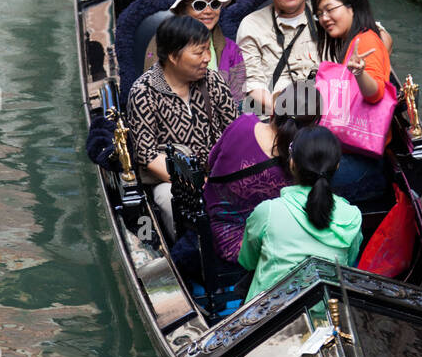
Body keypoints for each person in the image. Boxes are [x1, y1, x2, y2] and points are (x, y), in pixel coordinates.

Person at [127, 15, 240, 240]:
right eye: (199, 53)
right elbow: (148, 156)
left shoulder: (214, 81)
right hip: (171, 181)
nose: (207, 58)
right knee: (170, 200)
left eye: (208, 50)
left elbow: (234, 131)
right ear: (173, 56)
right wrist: (197, 185)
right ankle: (189, 253)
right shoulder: (143, 92)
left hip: (218, 171)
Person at [238, 127, 363, 303]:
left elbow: (247, 261)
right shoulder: (353, 216)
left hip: (270, 317)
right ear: (337, 165)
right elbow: (347, 264)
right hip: (327, 313)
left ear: (292, 163)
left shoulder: (267, 212)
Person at [204, 85, 322, 264]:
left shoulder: (243, 122)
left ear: (274, 110)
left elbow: (211, 161)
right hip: (244, 245)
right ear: (313, 126)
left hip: (211, 222)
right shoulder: (294, 167)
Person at [314, 0, 392, 205]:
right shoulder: (354, 40)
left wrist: (359, 73)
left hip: (365, 161)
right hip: (351, 152)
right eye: (319, 13)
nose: (324, 18)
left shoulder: (365, 41)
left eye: (330, 9)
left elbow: (375, 92)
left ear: (351, 7)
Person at [237, 0, 325, 117]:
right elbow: (253, 84)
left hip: (329, 111)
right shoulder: (251, 25)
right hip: (276, 116)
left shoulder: (326, 12)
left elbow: (372, 34)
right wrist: (287, 114)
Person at [143, 0, 245, 101]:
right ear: (182, 10)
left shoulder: (231, 49)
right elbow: (154, 97)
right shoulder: (161, 44)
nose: (208, 11)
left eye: (214, 4)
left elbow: (240, 101)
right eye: (199, 5)